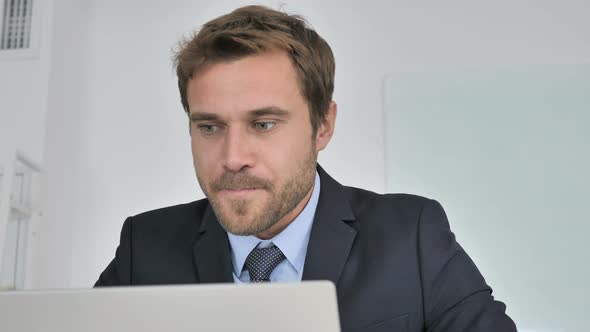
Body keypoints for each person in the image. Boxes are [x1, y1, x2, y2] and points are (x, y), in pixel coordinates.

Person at [95, 5, 516, 331]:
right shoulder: (144, 249)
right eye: (209, 126)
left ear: (323, 126)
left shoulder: (413, 237)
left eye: (263, 124)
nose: (232, 156)